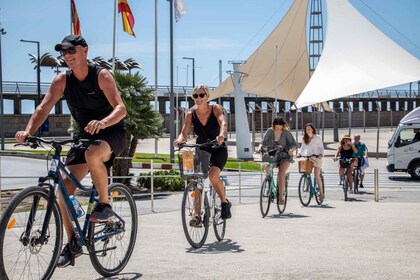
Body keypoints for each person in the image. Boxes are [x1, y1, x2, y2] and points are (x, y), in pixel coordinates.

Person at [15, 35, 127, 267]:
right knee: (63, 189)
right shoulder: (62, 81)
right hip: (84, 137)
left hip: (110, 132)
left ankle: (104, 205)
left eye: (71, 50)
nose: (67, 56)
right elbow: (44, 107)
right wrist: (27, 131)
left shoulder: (102, 76)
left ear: (85, 51)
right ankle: (73, 242)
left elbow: (120, 108)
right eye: (63, 53)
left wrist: (103, 123)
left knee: (93, 154)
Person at [173, 84, 231, 220]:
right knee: (197, 179)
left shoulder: (215, 108)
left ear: (207, 96)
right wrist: (179, 140)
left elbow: (223, 123)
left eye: (201, 95)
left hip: (218, 148)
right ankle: (197, 214)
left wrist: (221, 135)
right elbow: (184, 133)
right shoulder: (190, 114)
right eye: (195, 96)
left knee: (213, 175)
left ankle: (224, 202)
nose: (198, 98)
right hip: (203, 148)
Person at [259, 117, 297, 205]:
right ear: (273, 125)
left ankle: (280, 198)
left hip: (285, 156)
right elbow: (263, 142)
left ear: (283, 125)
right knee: (268, 168)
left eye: (280, 126)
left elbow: (294, 144)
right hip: (273, 155)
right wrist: (260, 147)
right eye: (276, 126)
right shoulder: (269, 131)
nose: (278, 128)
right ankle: (270, 186)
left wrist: (291, 149)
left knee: (281, 173)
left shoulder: (286, 132)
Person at [298, 123, 325, 201]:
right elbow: (302, 148)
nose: (308, 131)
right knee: (305, 172)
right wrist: (299, 154)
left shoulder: (317, 138)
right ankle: (307, 186)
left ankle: (321, 193)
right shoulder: (304, 138)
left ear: (313, 129)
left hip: (317, 158)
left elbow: (321, 148)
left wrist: (320, 154)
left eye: (309, 129)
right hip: (309, 157)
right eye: (306, 129)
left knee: (316, 175)